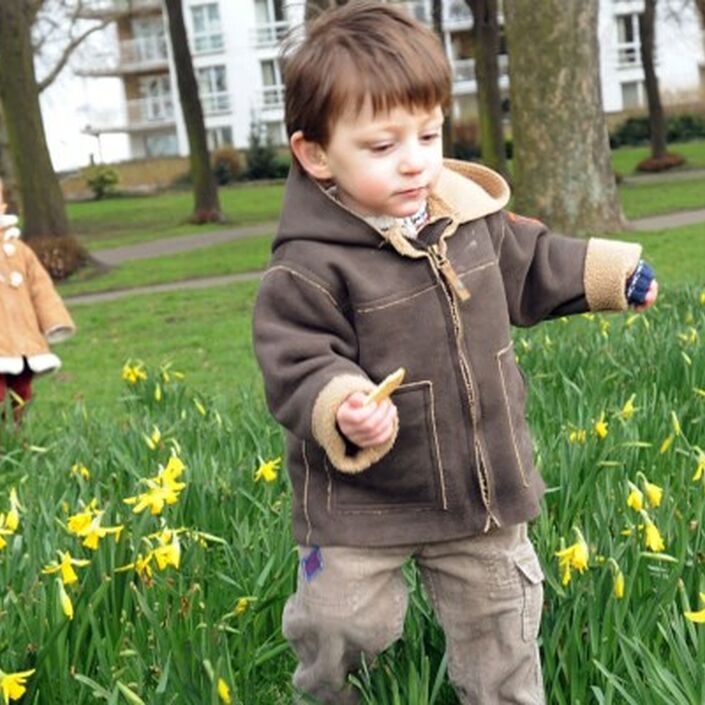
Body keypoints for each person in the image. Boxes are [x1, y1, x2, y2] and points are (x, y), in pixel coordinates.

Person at [252, 3, 657, 703]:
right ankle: (333, 692)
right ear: (315, 154)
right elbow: (296, 357)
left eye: (429, 133)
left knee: (502, 623)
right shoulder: (307, 266)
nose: (414, 160)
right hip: (362, 501)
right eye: (381, 146)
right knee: (340, 621)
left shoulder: (466, 218)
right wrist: (340, 404)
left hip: (480, 486)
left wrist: (608, 274)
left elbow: (533, 264)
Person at [0, 181, 76, 423]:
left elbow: (40, 289)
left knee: (22, 391)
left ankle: (17, 437)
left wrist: (55, 322)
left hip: (23, 340)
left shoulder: (20, 251)